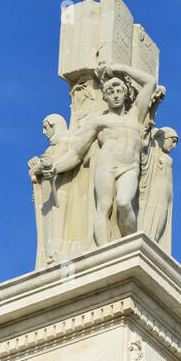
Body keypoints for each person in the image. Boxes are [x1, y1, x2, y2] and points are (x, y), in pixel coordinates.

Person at [38, 60, 159, 246]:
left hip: (129, 167)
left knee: (124, 203)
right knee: (103, 207)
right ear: (105, 97)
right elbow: (77, 153)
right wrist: (55, 168)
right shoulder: (98, 121)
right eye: (110, 92)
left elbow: (150, 82)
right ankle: (104, 250)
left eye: (119, 91)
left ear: (125, 93)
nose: (116, 95)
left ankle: (129, 245)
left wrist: (119, 69)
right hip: (107, 165)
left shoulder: (135, 115)